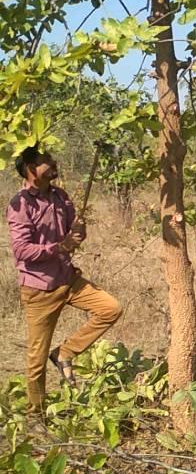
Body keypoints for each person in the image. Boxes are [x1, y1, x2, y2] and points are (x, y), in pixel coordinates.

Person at [6, 146, 123, 416]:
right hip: (39, 289)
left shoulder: (60, 196)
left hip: (68, 279)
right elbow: (22, 251)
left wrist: (78, 232)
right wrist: (60, 246)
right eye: (45, 161)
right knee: (36, 360)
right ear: (31, 169)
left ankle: (65, 353)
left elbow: (73, 234)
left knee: (110, 308)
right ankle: (36, 414)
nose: (53, 163)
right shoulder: (20, 205)